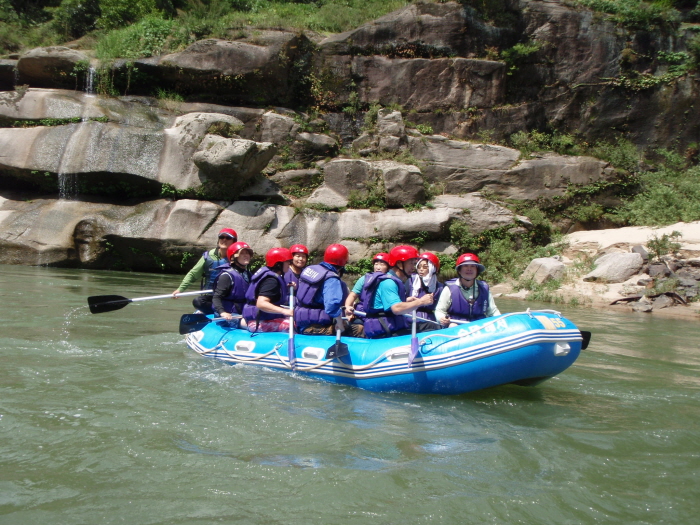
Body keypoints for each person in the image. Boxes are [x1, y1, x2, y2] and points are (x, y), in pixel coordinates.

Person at [358, 245, 436, 339]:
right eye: (411, 263)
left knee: (430, 325)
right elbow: (397, 309)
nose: (414, 267)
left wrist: (407, 300)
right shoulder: (388, 282)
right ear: (399, 264)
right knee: (432, 327)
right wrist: (421, 302)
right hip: (385, 332)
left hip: (391, 327)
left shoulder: (393, 280)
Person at [295, 244, 363, 337]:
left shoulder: (310, 269)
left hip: (300, 322)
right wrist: (340, 324)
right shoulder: (331, 279)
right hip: (315, 327)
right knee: (359, 328)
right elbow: (332, 306)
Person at [171, 228, 237, 314]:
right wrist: (180, 289)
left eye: (228, 238)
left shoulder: (237, 258)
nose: (224, 239)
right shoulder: (208, 256)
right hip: (210, 297)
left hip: (228, 299)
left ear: (234, 241)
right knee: (198, 302)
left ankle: (226, 311)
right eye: (222, 237)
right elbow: (193, 274)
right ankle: (213, 311)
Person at [435, 253, 501, 327]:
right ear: (459, 271)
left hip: (479, 326)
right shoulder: (449, 289)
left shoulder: (484, 288)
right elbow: (440, 311)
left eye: (473, 266)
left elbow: (493, 311)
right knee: (453, 325)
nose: (469, 269)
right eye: (465, 266)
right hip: (456, 326)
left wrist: (500, 321)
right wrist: (442, 318)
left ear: (477, 271)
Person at [243, 247, 294, 333]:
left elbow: (271, 292)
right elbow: (261, 303)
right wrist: (284, 311)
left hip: (262, 318)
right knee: (295, 324)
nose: (289, 264)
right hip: (257, 322)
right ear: (278, 264)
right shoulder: (271, 280)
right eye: (287, 262)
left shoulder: (271, 277)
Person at [211, 241, 253, 328]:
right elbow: (216, 297)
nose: (246, 255)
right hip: (228, 315)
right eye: (242, 253)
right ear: (234, 257)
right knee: (253, 325)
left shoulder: (248, 275)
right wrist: (222, 312)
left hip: (242, 313)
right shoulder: (226, 276)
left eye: (248, 253)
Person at [407, 252, 444, 322]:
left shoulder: (440, 287)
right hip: (411, 318)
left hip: (430, 320)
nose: (421, 269)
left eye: (425, 267)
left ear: (432, 268)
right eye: (419, 266)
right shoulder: (410, 281)